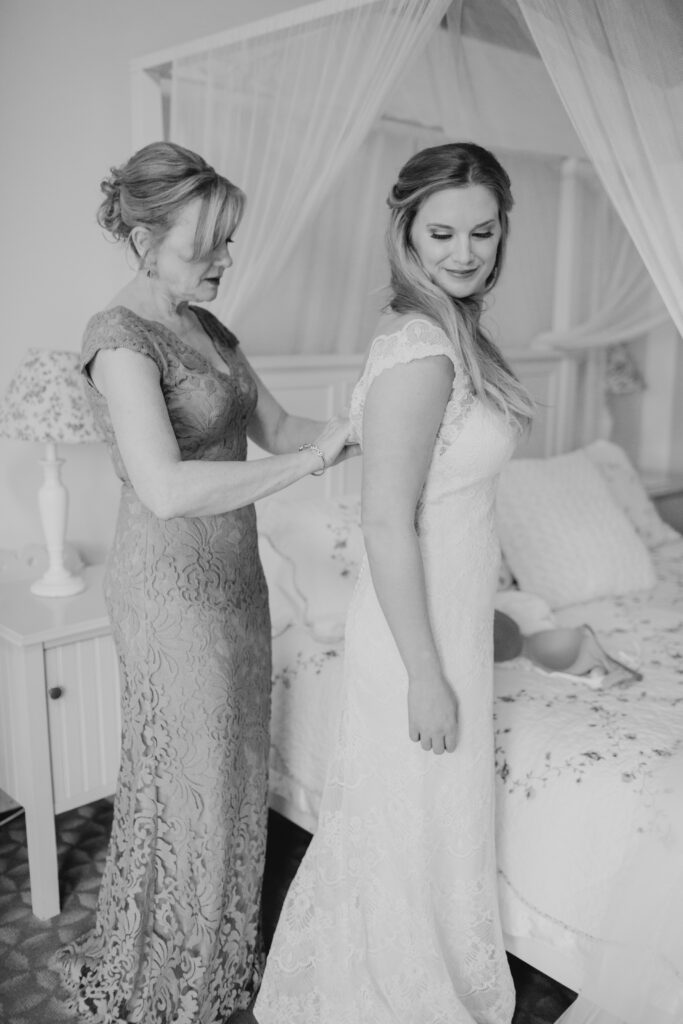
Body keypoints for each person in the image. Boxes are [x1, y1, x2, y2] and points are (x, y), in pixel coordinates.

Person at [53, 141, 355, 1024]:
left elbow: (283, 424)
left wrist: (365, 418)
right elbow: (166, 487)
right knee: (188, 782)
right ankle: (169, 982)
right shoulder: (118, 340)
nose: (226, 259)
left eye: (230, 240)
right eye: (207, 243)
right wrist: (307, 466)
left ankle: (212, 967)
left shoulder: (210, 329)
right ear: (145, 236)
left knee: (232, 777)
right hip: (170, 590)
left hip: (235, 583)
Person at [254, 142, 535, 1024]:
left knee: (428, 818)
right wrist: (424, 671)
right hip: (417, 636)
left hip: (447, 614)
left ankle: (430, 968)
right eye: (442, 231)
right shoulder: (420, 348)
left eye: (481, 232)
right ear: (405, 231)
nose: (464, 251)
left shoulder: (451, 331)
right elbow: (385, 522)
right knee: (409, 816)